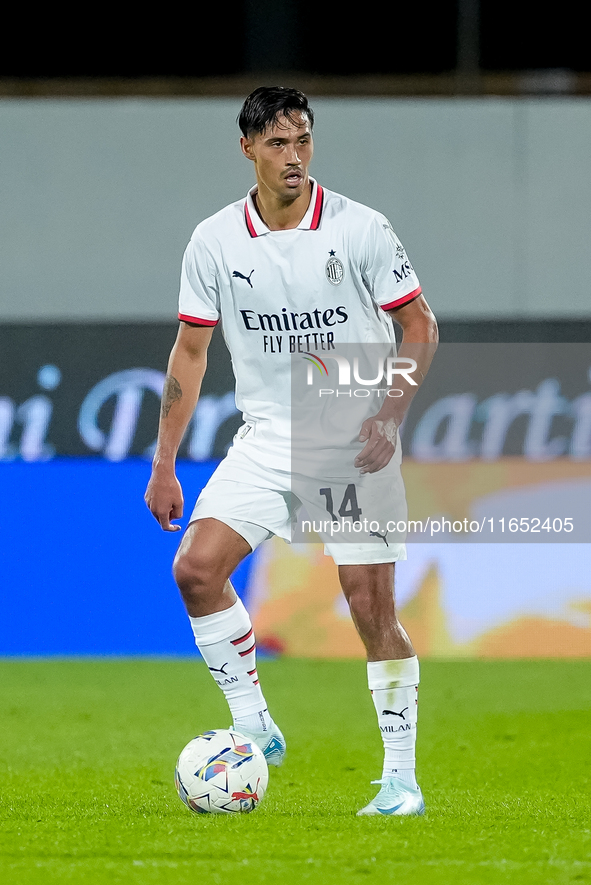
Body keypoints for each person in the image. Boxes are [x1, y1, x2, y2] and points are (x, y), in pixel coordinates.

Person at [145, 86, 438, 816]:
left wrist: (390, 414)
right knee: (196, 569)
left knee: (369, 606)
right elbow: (189, 350)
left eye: (303, 140)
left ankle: (399, 779)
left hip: (351, 440)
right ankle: (254, 722)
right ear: (246, 148)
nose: (294, 157)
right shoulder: (214, 240)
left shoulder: (359, 228)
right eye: (277, 144)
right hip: (267, 440)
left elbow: (420, 327)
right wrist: (163, 461)